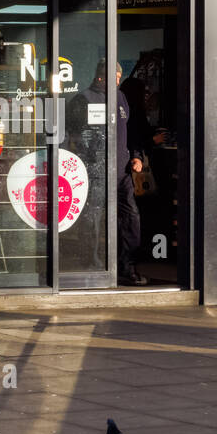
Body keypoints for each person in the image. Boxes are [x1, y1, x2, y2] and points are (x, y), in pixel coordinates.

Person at [70, 61, 147, 286]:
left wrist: (137, 156)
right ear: (97, 75)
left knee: (131, 217)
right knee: (92, 219)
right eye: (104, 75)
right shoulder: (82, 99)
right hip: (94, 171)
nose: (108, 80)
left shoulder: (121, 98)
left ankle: (127, 266)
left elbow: (131, 131)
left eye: (114, 76)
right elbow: (72, 136)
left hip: (121, 171)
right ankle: (92, 267)